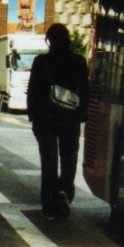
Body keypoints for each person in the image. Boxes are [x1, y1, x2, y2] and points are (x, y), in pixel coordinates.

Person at [27, 24, 90, 219]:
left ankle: (49, 203)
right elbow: (85, 91)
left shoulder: (41, 61)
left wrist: (34, 117)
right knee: (69, 159)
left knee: (49, 162)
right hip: (70, 118)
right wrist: (81, 114)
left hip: (45, 119)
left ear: (49, 40)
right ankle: (65, 192)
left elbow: (33, 91)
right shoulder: (78, 61)